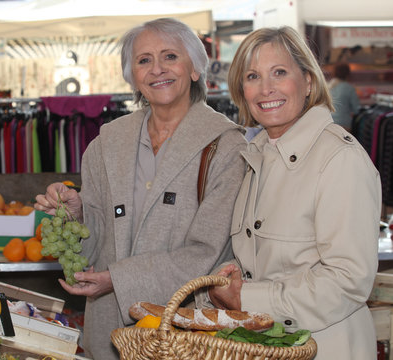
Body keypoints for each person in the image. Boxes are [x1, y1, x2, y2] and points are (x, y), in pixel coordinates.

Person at [34, 18, 247, 360]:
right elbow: (97, 238)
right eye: (144, 60)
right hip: (108, 333)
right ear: (132, 76)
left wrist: (116, 280)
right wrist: (78, 212)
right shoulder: (106, 143)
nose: (157, 69)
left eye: (170, 57)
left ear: (195, 69)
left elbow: (208, 252)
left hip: (183, 336)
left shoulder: (225, 146)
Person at [202, 26, 381, 359]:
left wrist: (247, 298)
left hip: (328, 348)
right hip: (269, 346)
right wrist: (237, 277)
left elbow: (348, 281)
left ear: (308, 81)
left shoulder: (339, 159)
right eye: (253, 76)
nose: (266, 88)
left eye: (279, 73)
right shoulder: (259, 156)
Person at [328, 63, 360, 132]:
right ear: (348, 74)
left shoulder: (328, 86)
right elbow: (356, 109)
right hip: (344, 125)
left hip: (328, 124)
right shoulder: (349, 88)